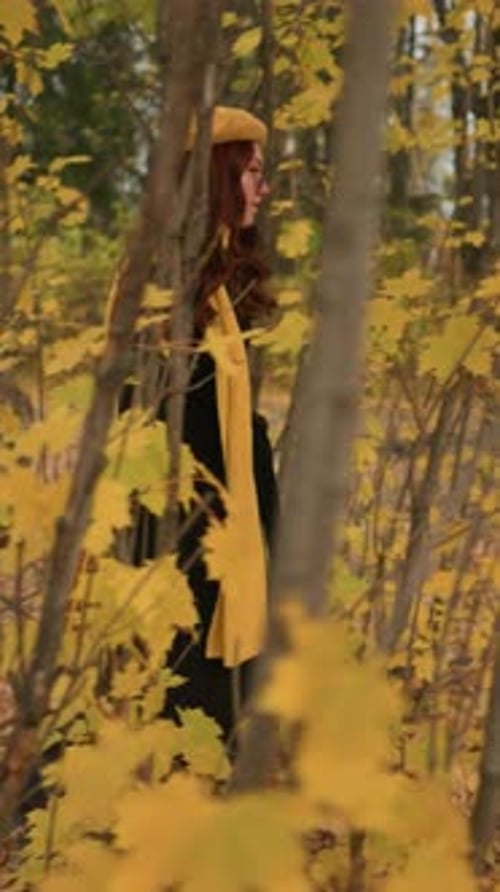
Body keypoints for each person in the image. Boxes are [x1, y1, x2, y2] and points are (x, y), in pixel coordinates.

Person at [120, 106, 278, 745]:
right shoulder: (165, 290)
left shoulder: (212, 288)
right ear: (217, 178)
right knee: (185, 732)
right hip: (186, 555)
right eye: (251, 173)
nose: (262, 188)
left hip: (217, 546)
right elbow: (159, 432)